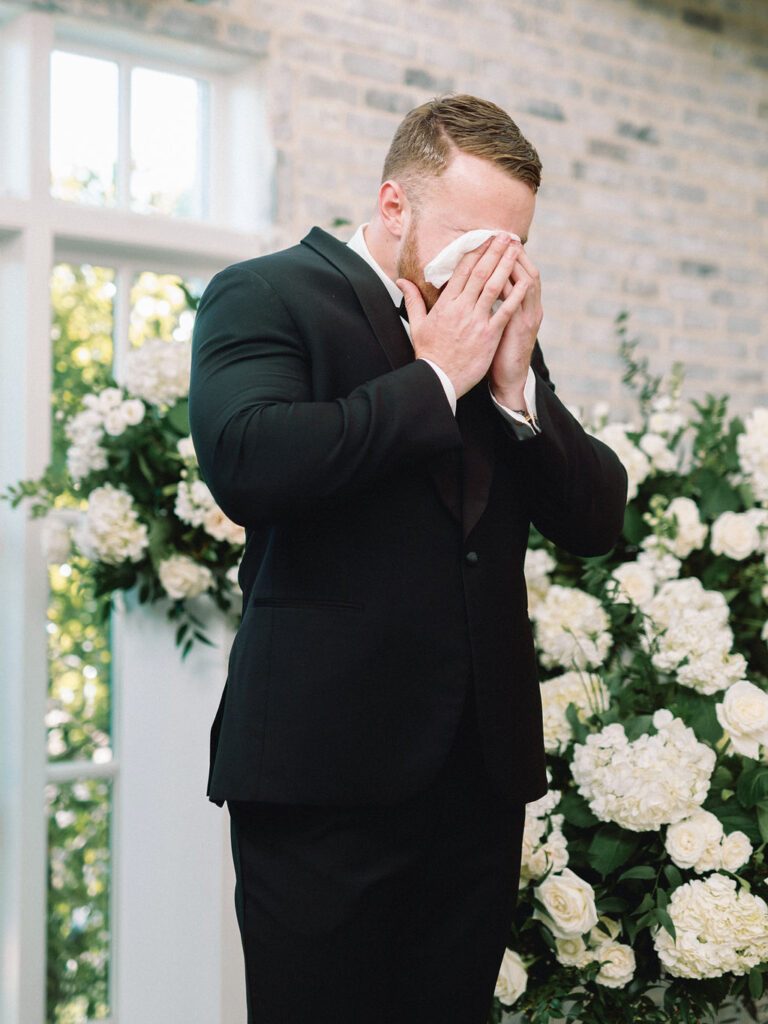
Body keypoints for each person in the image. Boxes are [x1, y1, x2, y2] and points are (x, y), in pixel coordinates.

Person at [189, 94, 628, 1024]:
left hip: (478, 775)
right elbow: (250, 462)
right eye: (472, 239)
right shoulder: (266, 293)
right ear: (395, 207)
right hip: (321, 773)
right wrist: (433, 377)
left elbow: (595, 517)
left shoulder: (496, 326)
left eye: (513, 246)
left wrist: (514, 393)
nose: (492, 269)